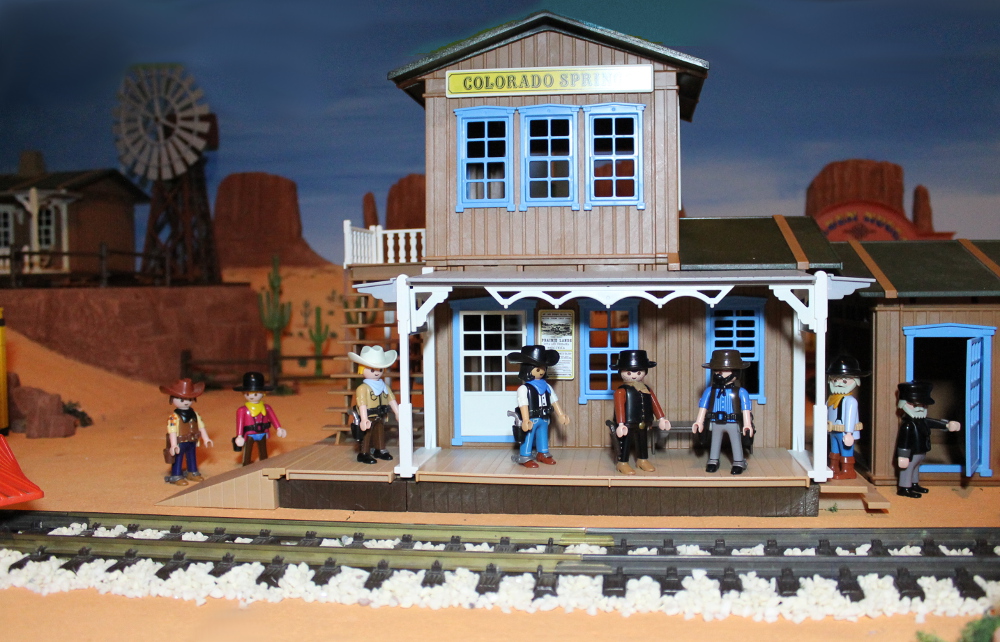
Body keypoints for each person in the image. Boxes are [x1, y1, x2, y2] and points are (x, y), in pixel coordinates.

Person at [692, 349, 754, 475]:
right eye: (717, 371)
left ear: (735, 372)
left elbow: (746, 409)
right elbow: (703, 407)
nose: (719, 374)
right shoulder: (710, 391)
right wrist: (699, 422)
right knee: (715, 441)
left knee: (736, 442)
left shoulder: (741, 392)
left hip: (733, 422)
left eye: (724, 371)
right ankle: (713, 460)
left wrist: (747, 424)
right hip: (715, 421)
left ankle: (738, 462)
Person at [507, 345, 570, 468]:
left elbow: (554, 400)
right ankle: (525, 456)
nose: (541, 371)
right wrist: (525, 419)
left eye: (543, 368)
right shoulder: (524, 388)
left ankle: (543, 453)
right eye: (537, 369)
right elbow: (523, 404)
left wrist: (561, 414)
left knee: (543, 436)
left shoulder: (546, 386)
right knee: (528, 437)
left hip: (544, 417)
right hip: (531, 418)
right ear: (528, 369)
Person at [895, 381, 960, 498]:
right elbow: (903, 441)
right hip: (911, 453)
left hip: (921, 450)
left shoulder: (922, 420)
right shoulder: (908, 425)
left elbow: (933, 422)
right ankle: (904, 488)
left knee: (915, 468)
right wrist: (903, 456)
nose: (920, 409)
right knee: (908, 469)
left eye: (923, 405)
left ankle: (914, 484)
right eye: (915, 405)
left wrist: (947, 425)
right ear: (903, 404)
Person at [612, 349, 671, 475]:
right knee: (625, 442)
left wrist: (661, 418)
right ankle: (622, 462)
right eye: (629, 372)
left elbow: (654, 403)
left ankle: (642, 460)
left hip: (643, 421)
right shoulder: (621, 391)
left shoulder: (646, 389)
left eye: (638, 372)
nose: (634, 376)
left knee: (643, 441)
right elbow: (619, 407)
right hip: (627, 423)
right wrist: (621, 424)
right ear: (621, 371)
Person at [349, 345, 400, 464]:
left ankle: (380, 449)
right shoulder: (363, 388)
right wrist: (364, 419)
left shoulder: (384, 386)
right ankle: (364, 453)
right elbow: (362, 404)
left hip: (380, 414)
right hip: (368, 415)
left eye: (380, 369)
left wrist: (397, 412)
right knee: (367, 434)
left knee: (380, 432)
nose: (377, 373)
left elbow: (391, 399)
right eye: (372, 370)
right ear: (362, 369)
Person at [160, 378, 213, 485]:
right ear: (172, 399)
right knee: (178, 458)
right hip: (180, 442)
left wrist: (206, 438)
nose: (186, 402)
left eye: (189, 399)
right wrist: (173, 445)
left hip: (192, 441)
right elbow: (172, 431)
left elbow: (201, 426)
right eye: (182, 400)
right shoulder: (174, 417)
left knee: (192, 457)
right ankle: (176, 475)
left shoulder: (195, 414)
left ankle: (192, 472)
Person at [826, 355, 870, 479]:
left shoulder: (850, 401)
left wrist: (849, 433)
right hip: (833, 430)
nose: (839, 383)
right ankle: (834, 466)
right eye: (835, 380)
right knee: (834, 450)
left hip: (844, 431)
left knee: (846, 450)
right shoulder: (831, 399)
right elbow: (827, 413)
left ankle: (848, 470)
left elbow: (850, 418)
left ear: (856, 381)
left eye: (844, 381)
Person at [234, 372, 286, 466]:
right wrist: (239, 436)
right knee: (247, 451)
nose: (251, 396)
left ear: (263, 393)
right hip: (249, 434)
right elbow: (240, 424)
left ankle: (264, 464)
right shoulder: (242, 410)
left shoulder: (266, 408)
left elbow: (273, 418)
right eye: (248, 393)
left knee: (263, 451)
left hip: (263, 432)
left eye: (256, 394)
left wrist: (279, 428)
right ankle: (246, 464)